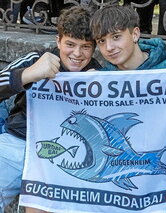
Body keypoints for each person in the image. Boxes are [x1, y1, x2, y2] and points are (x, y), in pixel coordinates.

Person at [90, 5, 166, 212]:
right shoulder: (100, 79)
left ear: (135, 33)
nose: (109, 47)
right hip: (118, 177)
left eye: (116, 37)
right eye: (101, 41)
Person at [0, 5, 101, 213]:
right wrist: (27, 74)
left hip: (65, 156)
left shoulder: (99, 74)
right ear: (58, 41)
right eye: (70, 44)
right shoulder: (37, 59)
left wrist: (95, 92)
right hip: (18, 143)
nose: (77, 53)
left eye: (86, 47)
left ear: (94, 47)